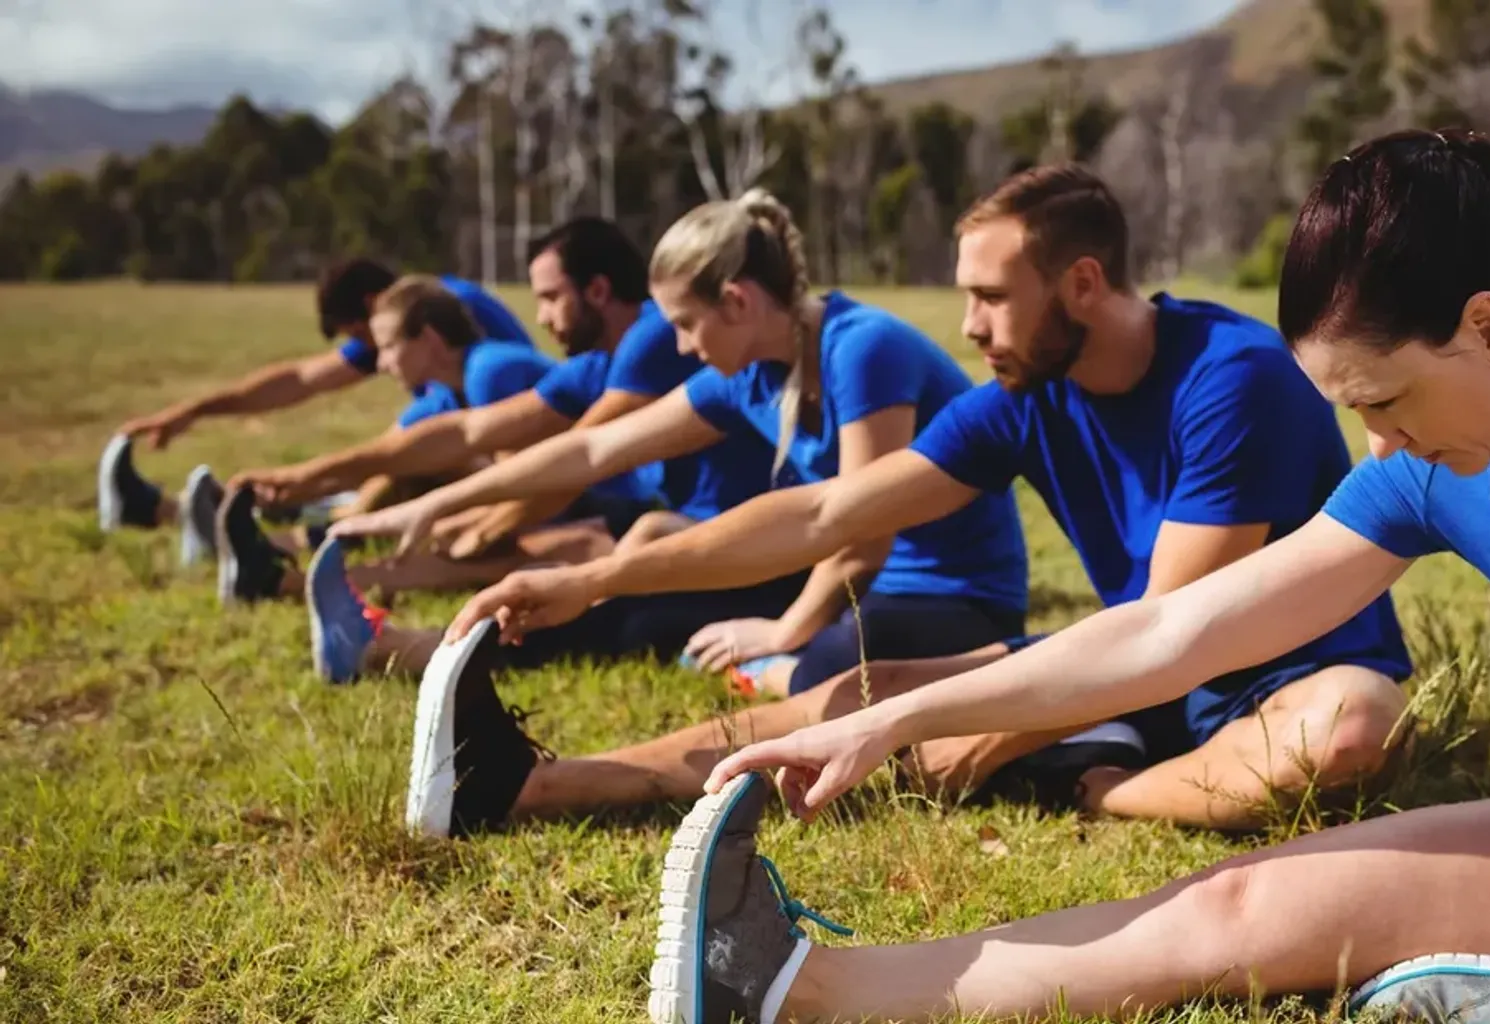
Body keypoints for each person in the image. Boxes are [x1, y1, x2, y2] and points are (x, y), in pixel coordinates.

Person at [628, 129, 1490, 1024]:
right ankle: (810, 991)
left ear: (1487, 327)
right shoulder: (1441, 461)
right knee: (1237, 910)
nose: (1373, 441)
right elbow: (1177, 633)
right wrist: (888, 717)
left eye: (1383, 399)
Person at [406, 164, 1416, 839]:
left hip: (1259, 682)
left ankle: (1106, 788)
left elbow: (1168, 637)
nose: (968, 325)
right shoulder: (1026, 395)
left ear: (1081, 282)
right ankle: (533, 783)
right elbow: (823, 515)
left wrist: (996, 723)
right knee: (865, 686)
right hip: (1131, 672)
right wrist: (596, 575)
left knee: (1349, 732)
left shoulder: (1225, 377)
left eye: (989, 296)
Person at [308, 189, 1031, 702]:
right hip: (836, 579)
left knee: (824, 671)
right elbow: (596, 451)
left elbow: (861, 534)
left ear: (738, 302)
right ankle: (426, 647)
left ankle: (784, 666)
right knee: (644, 582)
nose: (680, 345)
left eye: (686, 324)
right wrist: (437, 503)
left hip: (950, 598)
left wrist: (782, 630)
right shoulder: (747, 372)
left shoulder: (859, 349)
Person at [95, 258, 532, 550]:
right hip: (480, 457)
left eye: (362, 339)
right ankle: (205, 515)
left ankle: (238, 530)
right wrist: (194, 409)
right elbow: (301, 380)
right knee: (375, 469)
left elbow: (477, 446)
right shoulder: (409, 332)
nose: (374, 360)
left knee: (386, 464)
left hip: (506, 463)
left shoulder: (444, 327)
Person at [213, 274, 563, 605]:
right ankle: (279, 561)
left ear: (429, 340)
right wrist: (298, 480)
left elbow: (535, 489)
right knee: (417, 479)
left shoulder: (491, 373)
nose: (381, 363)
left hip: (585, 510)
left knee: (485, 545)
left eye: (389, 347)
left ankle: (286, 580)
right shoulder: (446, 394)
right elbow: (385, 456)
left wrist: (459, 525)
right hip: (555, 503)